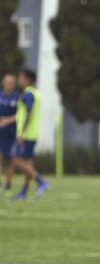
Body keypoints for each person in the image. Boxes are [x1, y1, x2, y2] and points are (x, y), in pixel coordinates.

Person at [10, 69, 48, 200]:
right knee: (27, 164)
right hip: (32, 133)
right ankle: (23, 192)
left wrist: (22, 133)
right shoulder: (35, 93)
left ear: (27, 79)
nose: (19, 80)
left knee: (16, 160)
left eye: (21, 77)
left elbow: (29, 113)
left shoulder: (28, 94)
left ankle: (41, 182)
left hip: (27, 134)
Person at [0, 72, 20, 195]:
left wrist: (7, 120)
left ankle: (8, 184)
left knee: (11, 160)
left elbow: (21, 115)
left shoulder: (18, 98)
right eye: (7, 82)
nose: (9, 84)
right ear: (3, 83)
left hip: (12, 133)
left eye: (12, 82)